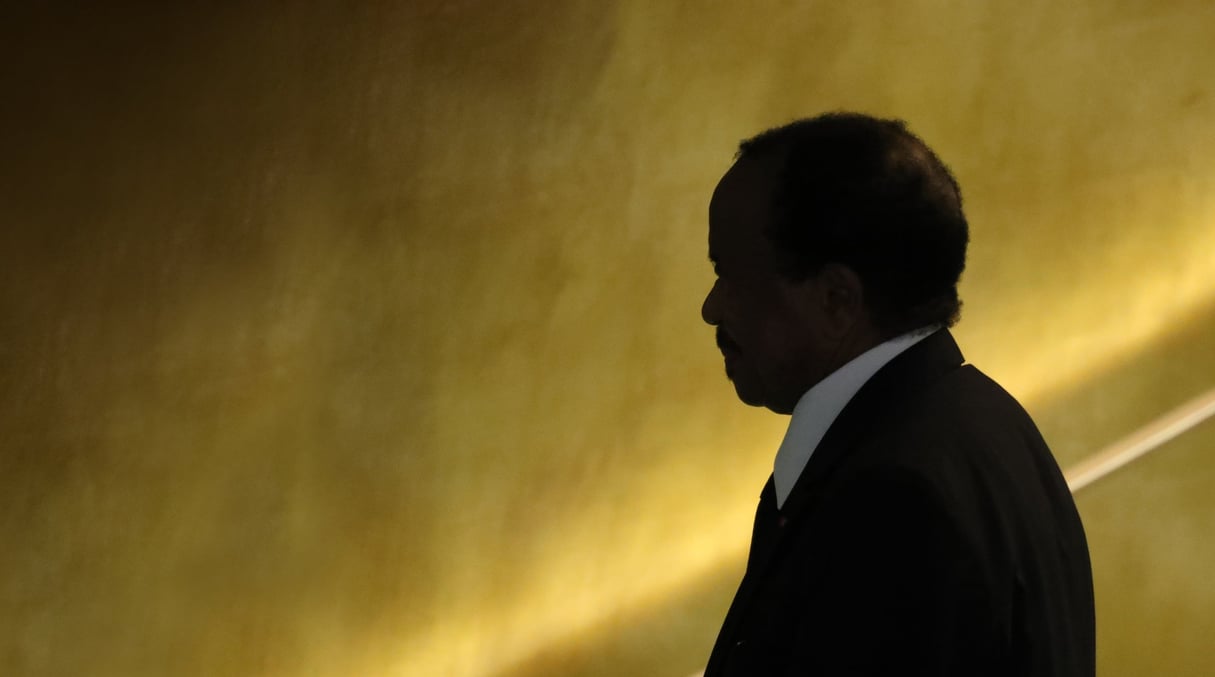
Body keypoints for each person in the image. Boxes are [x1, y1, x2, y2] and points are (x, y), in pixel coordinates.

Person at [699, 112, 1095, 676]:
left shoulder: (893, 497)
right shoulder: (988, 424)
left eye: (729, 272)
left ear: (837, 299)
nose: (712, 308)